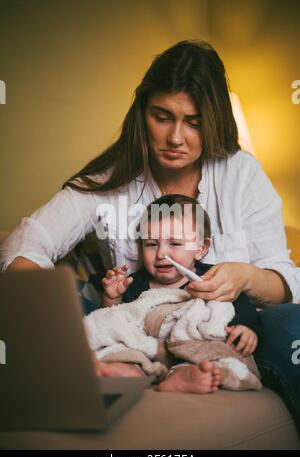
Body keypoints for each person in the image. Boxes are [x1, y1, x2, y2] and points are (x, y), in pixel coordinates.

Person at [0, 40, 299, 428]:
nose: (176, 138)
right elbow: (27, 244)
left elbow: (283, 280)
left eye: (194, 122)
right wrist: (58, 331)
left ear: (214, 121)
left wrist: (245, 276)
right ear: (142, 112)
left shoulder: (241, 173)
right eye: (163, 116)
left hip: (231, 331)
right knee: (70, 299)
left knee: (290, 322)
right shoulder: (107, 180)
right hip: (141, 330)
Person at [96, 194, 262, 393]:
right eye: (151, 244)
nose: (161, 254)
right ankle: (129, 371)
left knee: (210, 353)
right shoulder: (135, 283)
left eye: (174, 243)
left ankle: (183, 375)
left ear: (201, 248)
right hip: (149, 351)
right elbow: (115, 321)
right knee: (127, 352)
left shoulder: (212, 278)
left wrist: (246, 328)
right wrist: (113, 296)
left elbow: (239, 304)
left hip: (190, 348)